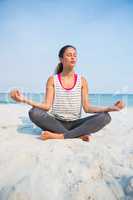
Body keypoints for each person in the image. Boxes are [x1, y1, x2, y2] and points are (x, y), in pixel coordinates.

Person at [10, 45, 125, 142]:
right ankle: (77, 135)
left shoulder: (82, 81)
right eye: (69, 55)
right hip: (55, 122)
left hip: (76, 123)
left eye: (75, 55)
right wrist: (23, 99)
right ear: (61, 59)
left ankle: (60, 136)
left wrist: (109, 108)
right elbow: (46, 106)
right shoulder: (52, 80)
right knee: (33, 112)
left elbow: (87, 108)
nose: (73, 58)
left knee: (105, 117)